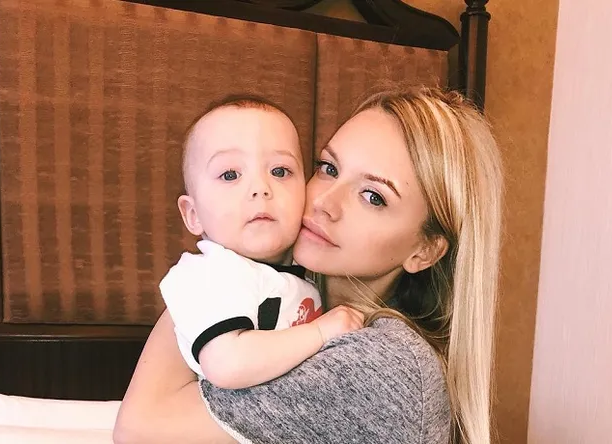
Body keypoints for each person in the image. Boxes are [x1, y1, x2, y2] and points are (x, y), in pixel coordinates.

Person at [114, 86, 503, 444]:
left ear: (424, 250)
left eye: (373, 196)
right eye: (328, 168)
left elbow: (137, 427)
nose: (324, 203)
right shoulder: (297, 299)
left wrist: (211, 268)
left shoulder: (382, 365)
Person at [160, 95, 362, 389]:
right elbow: (227, 364)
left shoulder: (304, 269)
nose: (260, 188)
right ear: (193, 214)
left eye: (280, 171)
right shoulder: (209, 275)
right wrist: (320, 332)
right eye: (230, 175)